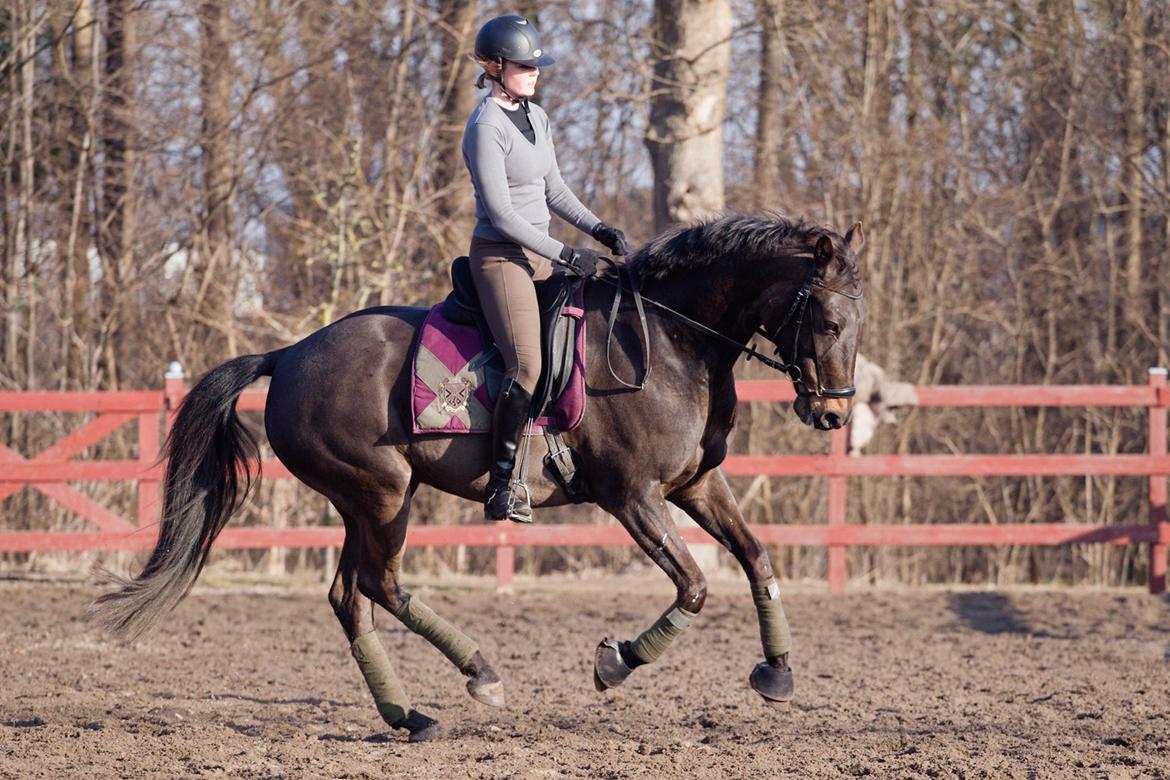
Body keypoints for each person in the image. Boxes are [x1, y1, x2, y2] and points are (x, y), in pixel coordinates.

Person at [463, 14, 629, 523]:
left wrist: (599, 229)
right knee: (527, 366)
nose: (534, 73)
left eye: (536, 66)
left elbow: (554, 189)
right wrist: (566, 254)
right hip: (502, 257)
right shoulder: (485, 127)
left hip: (543, 253)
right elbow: (502, 215)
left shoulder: (536, 116)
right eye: (524, 66)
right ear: (495, 68)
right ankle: (502, 483)